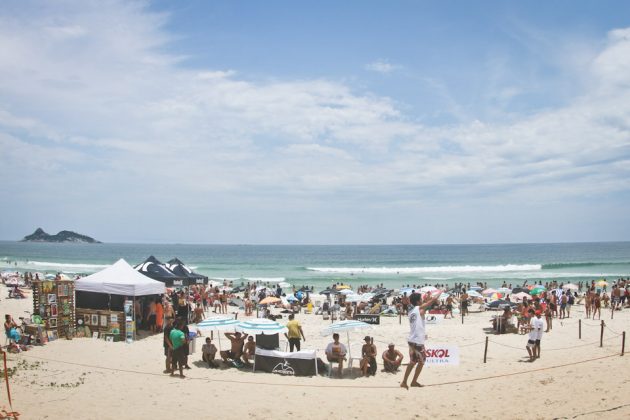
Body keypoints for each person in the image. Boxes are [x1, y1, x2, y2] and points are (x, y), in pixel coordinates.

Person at [400, 291, 441, 390]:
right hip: (417, 341)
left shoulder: (412, 311)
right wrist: (439, 293)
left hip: (412, 340)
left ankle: (404, 382)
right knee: (422, 361)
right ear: (418, 302)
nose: (422, 301)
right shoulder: (417, 309)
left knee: (413, 362)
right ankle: (413, 381)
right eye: (421, 300)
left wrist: (427, 299)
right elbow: (432, 302)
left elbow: (424, 308)